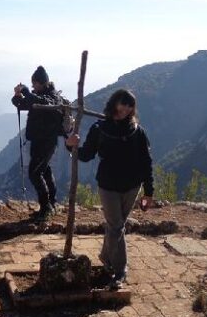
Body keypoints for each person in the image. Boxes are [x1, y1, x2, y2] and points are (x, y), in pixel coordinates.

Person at [65, 89, 154, 288]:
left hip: (132, 186)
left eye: (130, 105)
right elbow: (86, 154)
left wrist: (149, 192)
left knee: (116, 226)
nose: (126, 108)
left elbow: (146, 162)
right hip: (108, 185)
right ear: (114, 103)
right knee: (116, 226)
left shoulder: (137, 131)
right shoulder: (100, 128)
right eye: (123, 103)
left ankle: (106, 257)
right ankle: (120, 270)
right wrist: (70, 145)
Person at [12, 65, 64, 223]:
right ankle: (51, 202)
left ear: (42, 83)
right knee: (44, 170)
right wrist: (17, 95)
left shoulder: (52, 97)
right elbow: (22, 105)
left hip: (47, 142)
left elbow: (44, 103)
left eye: (34, 83)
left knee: (34, 173)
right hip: (38, 141)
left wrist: (27, 92)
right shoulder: (39, 94)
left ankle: (46, 206)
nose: (33, 86)